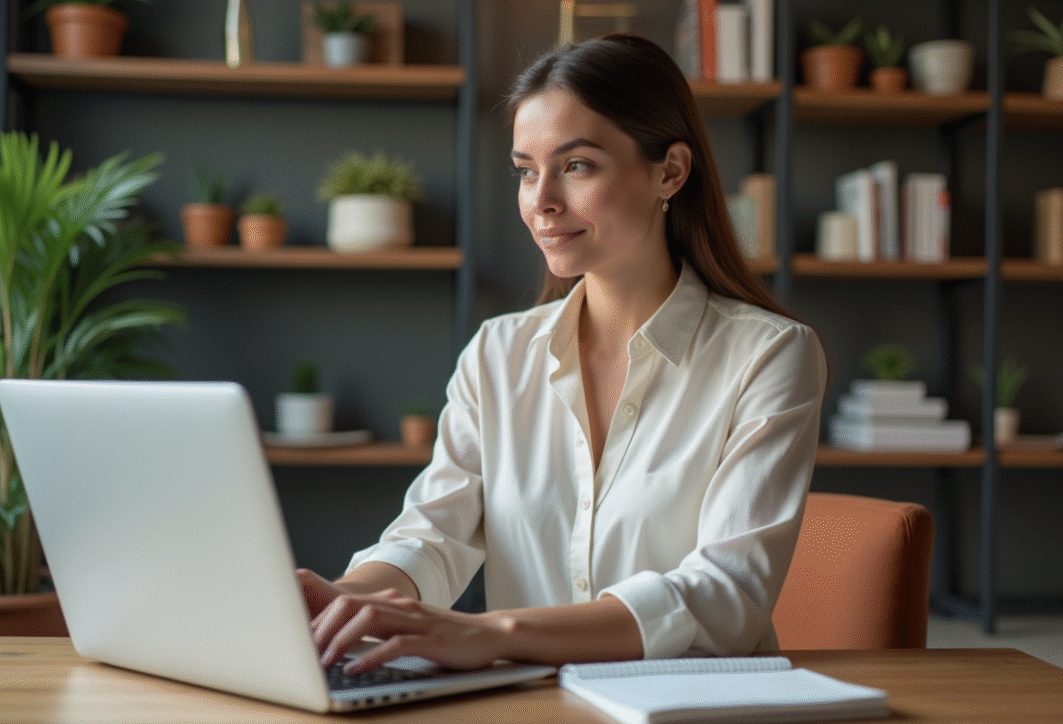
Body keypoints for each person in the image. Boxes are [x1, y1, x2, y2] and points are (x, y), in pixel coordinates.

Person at [299, 33, 827, 674]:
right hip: (534, 711)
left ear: (671, 171)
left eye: (577, 166)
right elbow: (433, 534)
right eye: (527, 170)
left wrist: (493, 633)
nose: (541, 200)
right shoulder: (498, 352)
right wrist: (344, 601)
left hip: (692, 711)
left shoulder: (770, 356)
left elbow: (727, 596)